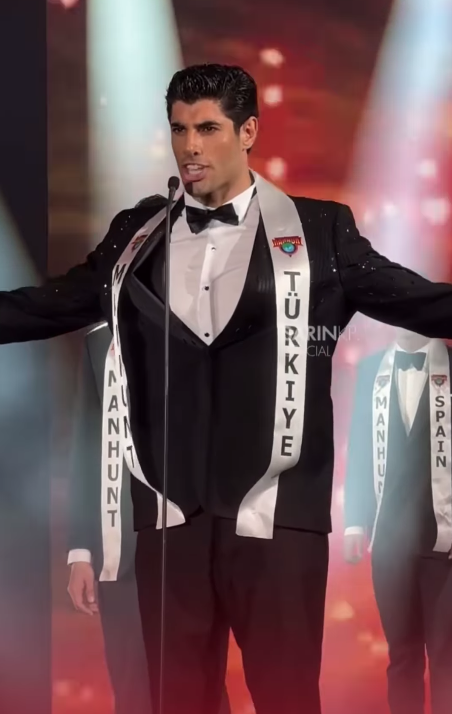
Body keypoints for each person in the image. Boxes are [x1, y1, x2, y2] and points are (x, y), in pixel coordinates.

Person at [2, 63, 452, 714]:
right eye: (179, 129)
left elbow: (422, 302)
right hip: (170, 522)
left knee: (287, 701)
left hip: (278, 519)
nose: (189, 146)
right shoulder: (137, 233)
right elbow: (50, 305)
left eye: (208, 128)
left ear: (248, 132)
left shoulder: (321, 231)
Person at [344, 328, 452, 714]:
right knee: (402, 655)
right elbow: (359, 446)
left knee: (447, 658)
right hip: (390, 541)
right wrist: (355, 522)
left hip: (446, 542)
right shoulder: (371, 369)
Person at [66, 322, 153, 714]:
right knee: (131, 685)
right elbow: (86, 447)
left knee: (199, 680)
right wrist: (80, 552)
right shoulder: (99, 341)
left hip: (190, 541)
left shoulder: (199, 321)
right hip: (121, 545)